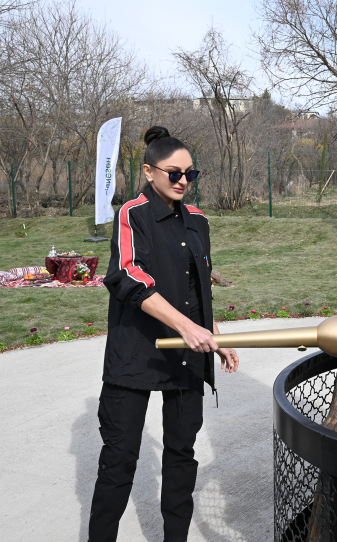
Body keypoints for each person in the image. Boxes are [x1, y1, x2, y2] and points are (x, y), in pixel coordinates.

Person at [88, 126, 239, 542]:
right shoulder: (132, 214)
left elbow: (199, 287)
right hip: (135, 353)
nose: (183, 182)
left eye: (191, 173)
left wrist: (214, 338)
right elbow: (128, 277)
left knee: (180, 456)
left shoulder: (198, 221)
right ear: (149, 171)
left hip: (186, 355)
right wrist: (186, 326)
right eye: (173, 173)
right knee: (119, 461)